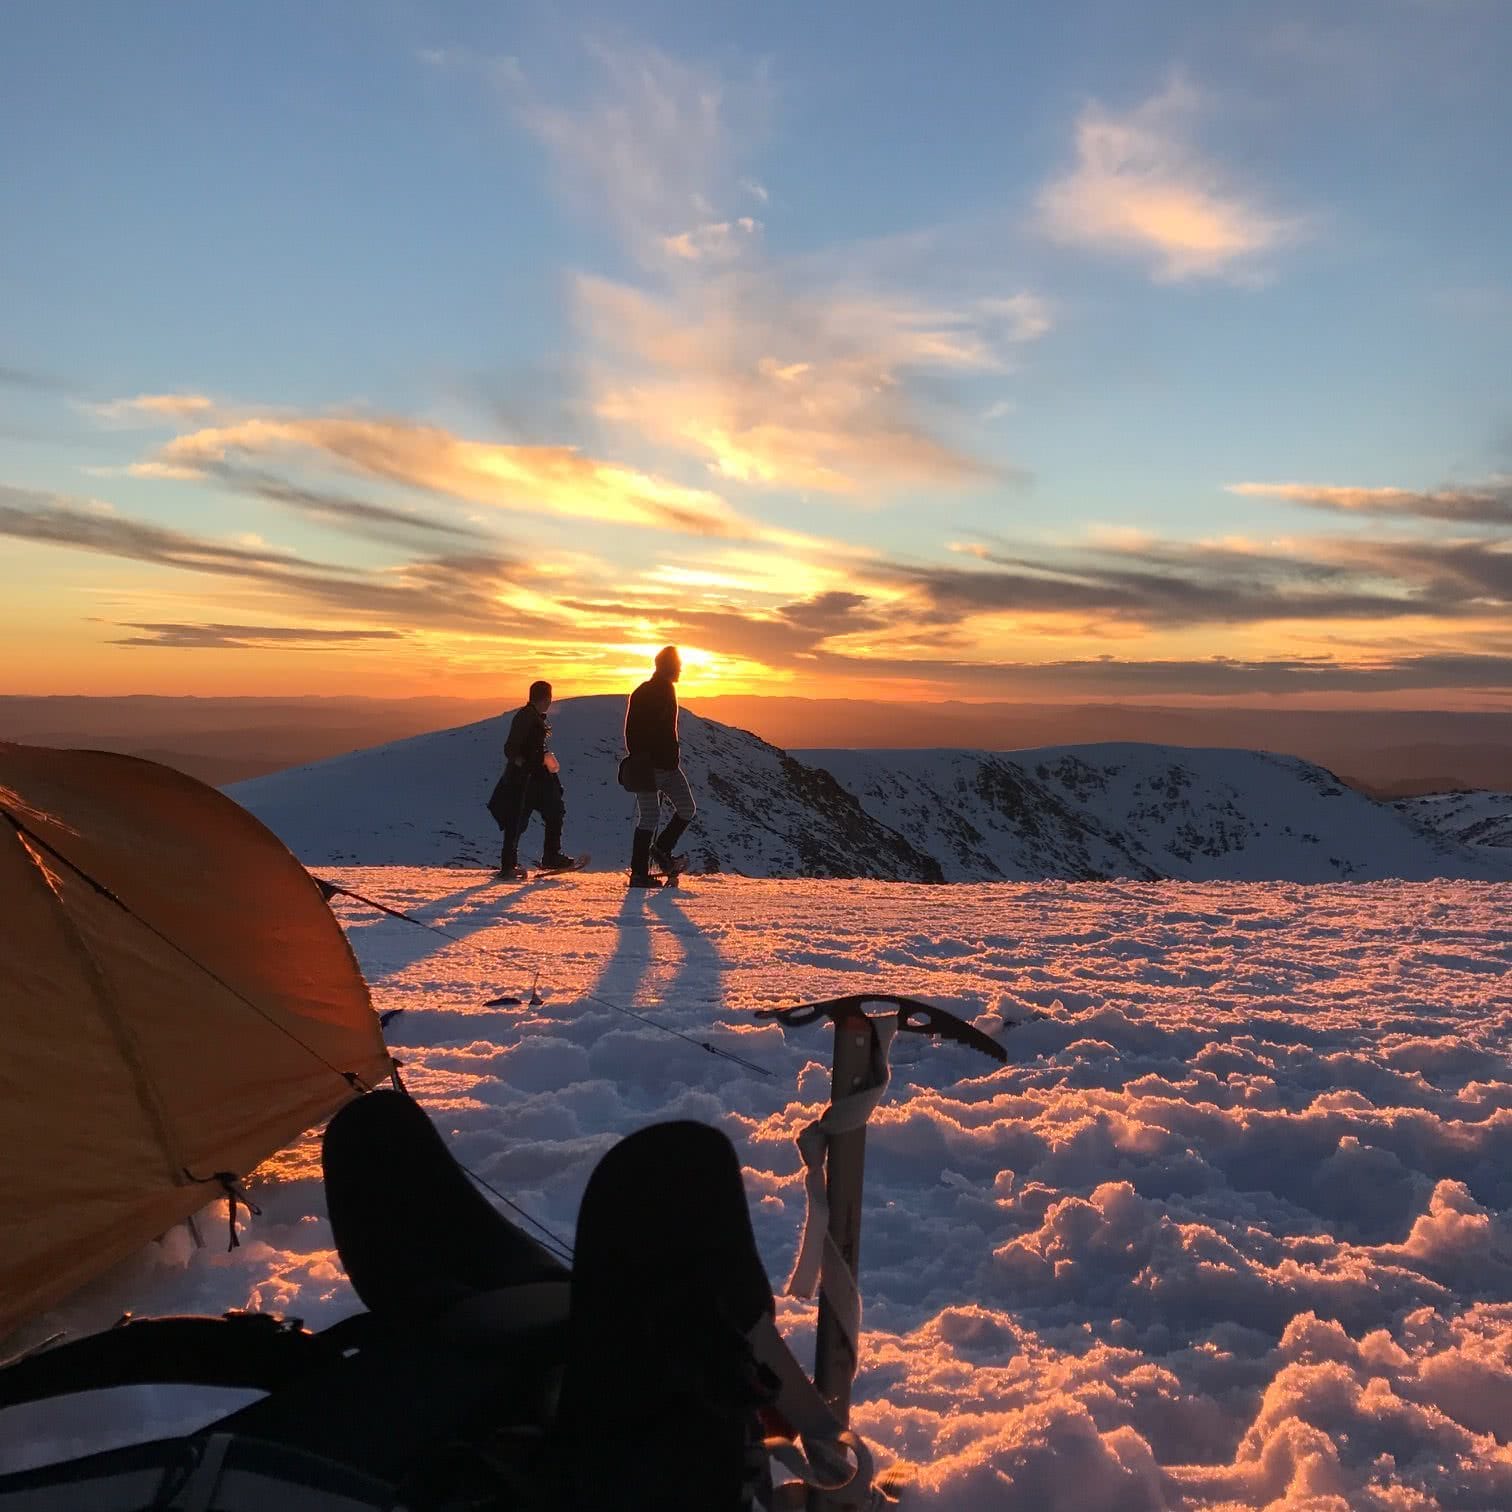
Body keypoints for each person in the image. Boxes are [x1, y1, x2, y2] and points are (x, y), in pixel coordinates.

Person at [623, 646, 696, 888]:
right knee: (651, 817)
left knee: (686, 808)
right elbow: (634, 733)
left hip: (666, 767)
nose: (681, 669)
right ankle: (639, 873)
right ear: (669, 667)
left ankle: (661, 850)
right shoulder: (647, 692)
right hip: (650, 768)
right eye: (678, 665)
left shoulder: (663, 689)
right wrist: (645, 760)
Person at [487, 680, 576, 877]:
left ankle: (514, 864)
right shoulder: (527, 717)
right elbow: (511, 749)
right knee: (528, 817)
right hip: (528, 779)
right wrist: (526, 765)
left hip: (533, 776)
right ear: (546, 698)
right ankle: (546, 857)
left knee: (529, 817)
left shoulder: (531, 716)